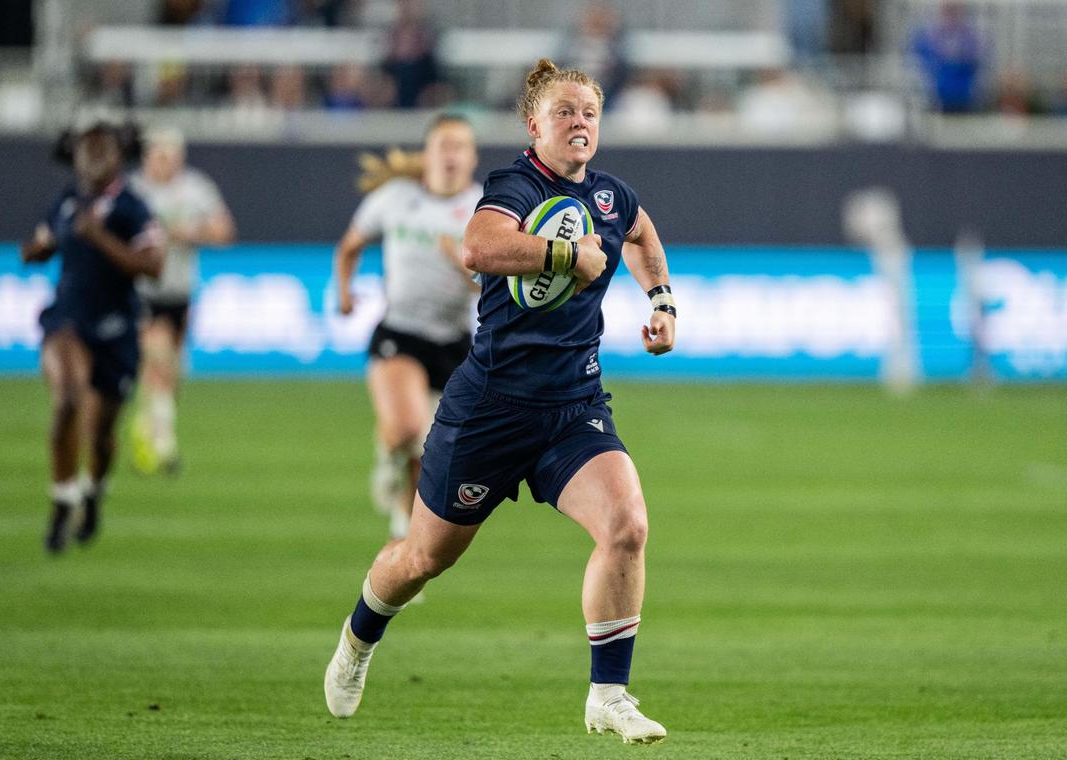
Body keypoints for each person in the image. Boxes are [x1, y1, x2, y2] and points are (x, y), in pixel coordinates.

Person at [323, 59, 677, 745]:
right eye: (565, 111)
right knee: (423, 559)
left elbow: (639, 232)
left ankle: (608, 695)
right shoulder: (515, 185)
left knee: (627, 525)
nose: (579, 123)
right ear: (534, 124)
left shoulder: (610, 195)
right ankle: (359, 639)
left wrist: (661, 300)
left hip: (573, 407)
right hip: (489, 410)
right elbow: (478, 247)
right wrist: (565, 257)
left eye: (590, 112)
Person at [333, 114, 481, 541]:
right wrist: (344, 292)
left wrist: (463, 264)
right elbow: (350, 246)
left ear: (472, 157)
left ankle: (402, 533)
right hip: (401, 332)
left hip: (455, 343)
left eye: (460, 146)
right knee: (405, 428)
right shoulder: (395, 198)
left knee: (430, 451)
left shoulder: (485, 210)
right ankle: (387, 452)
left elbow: (501, 287)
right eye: (443, 145)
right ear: (428, 153)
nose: (451, 155)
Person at [20, 117, 165, 553]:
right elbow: (40, 244)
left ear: (120, 157)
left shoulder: (132, 208)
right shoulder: (66, 202)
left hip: (117, 329)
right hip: (68, 319)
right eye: (88, 148)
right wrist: (36, 250)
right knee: (67, 399)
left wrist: (100, 237)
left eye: (104, 149)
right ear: (76, 155)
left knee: (101, 435)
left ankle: (93, 491)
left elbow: (153, 266)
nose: (95, 156)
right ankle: (63, 499)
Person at [129, 127, 236, 474]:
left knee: (172, 374)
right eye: (160, 154)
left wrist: (193, 232)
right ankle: (165, 445)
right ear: (148, 156)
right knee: (157, 360)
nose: (166, 162)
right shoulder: (134, 190)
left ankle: (148, 425)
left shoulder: (196, 188)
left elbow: (225, 231)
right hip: (143, 290)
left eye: (172, 155)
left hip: (180, 290)